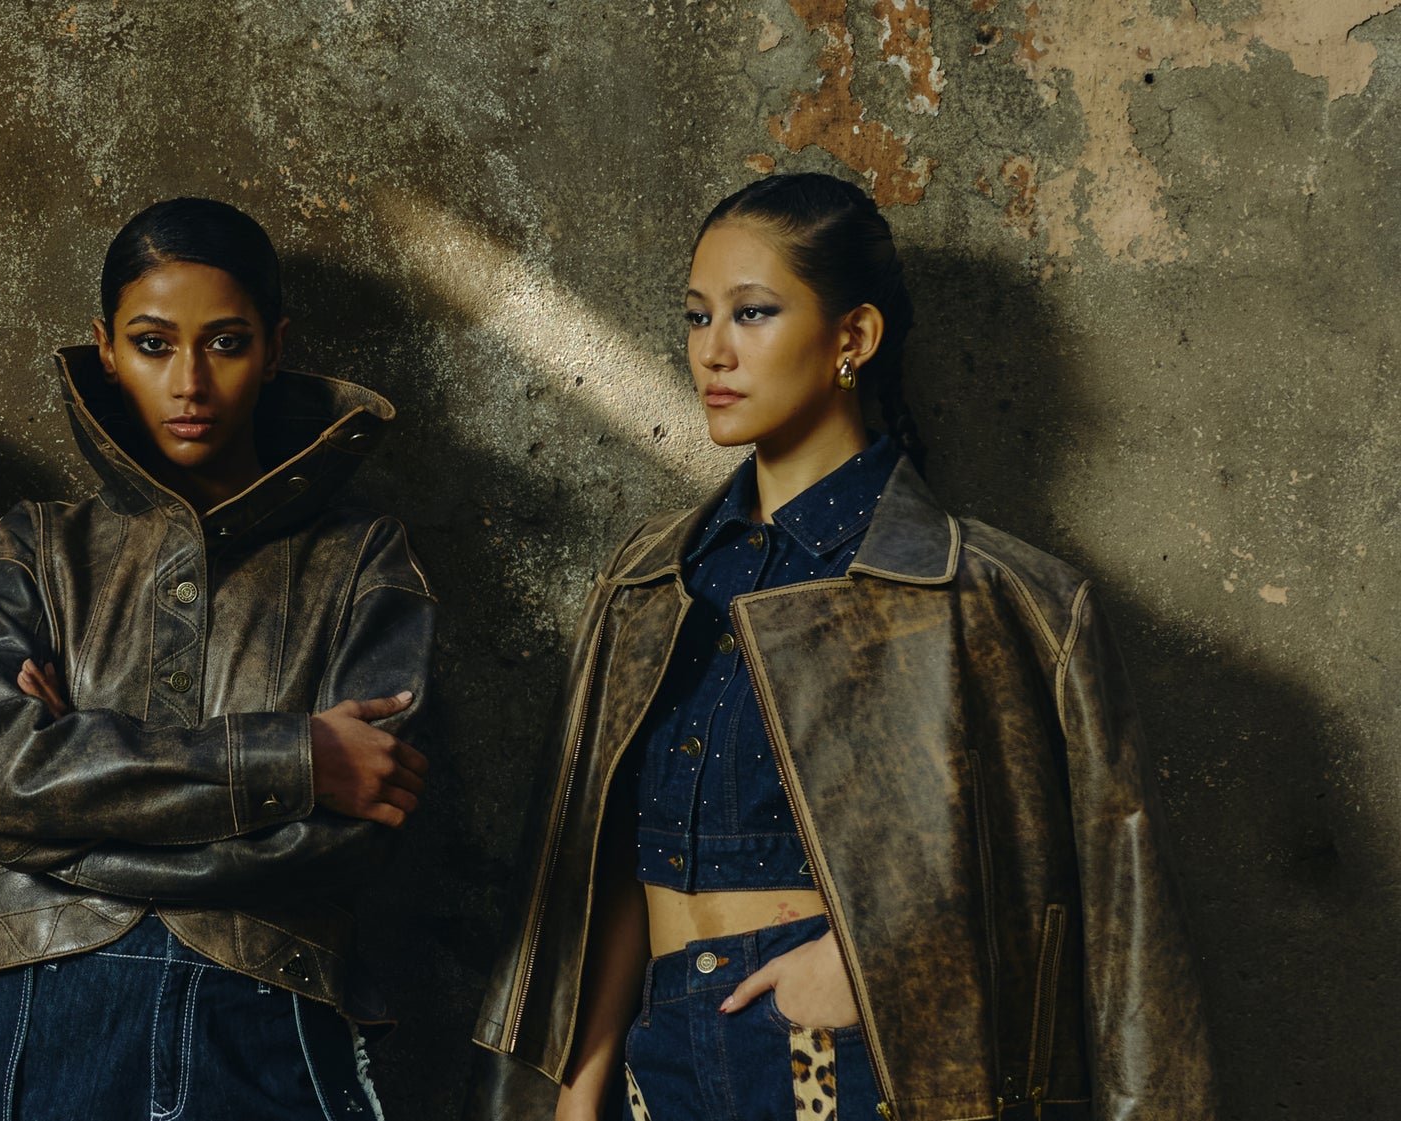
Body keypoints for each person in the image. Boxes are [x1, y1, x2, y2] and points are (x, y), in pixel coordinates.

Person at [472, 172, 1216, 1121]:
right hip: (659, 1053)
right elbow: (612, 859)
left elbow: (1102, 904)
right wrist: (582, 1084)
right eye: (698, 317)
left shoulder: (996, 596)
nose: (714, 350)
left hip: (849, 1058)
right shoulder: (651, 579)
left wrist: (866, 969)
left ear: (852, 338)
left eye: (752, 312)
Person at [0, 197, 438, 1121]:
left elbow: (353, 837)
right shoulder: (31, 549)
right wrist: (294, 759)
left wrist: (68, 800)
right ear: (106, 348)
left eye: (227, 343)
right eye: (153, 344)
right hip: (47, 1005)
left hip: (270, 1008)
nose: (190, 382)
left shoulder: (363, 559)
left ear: (275, 348)